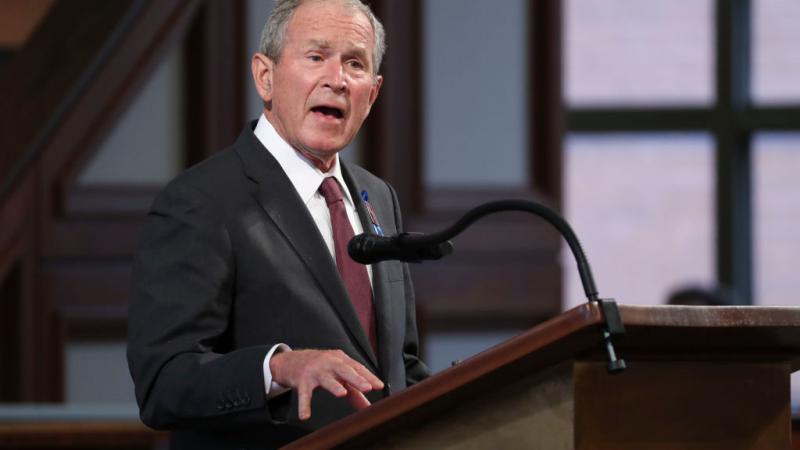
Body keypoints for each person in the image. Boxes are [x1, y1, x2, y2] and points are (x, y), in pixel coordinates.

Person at [126, 0, 429, 448]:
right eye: (315, 57)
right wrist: (279, 368)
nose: (337, 80)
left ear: (374, 92)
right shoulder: (200, 200)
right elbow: (164, 382)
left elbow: (399, 365)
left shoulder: (377, 197)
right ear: (265, 77)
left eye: (355, 64)